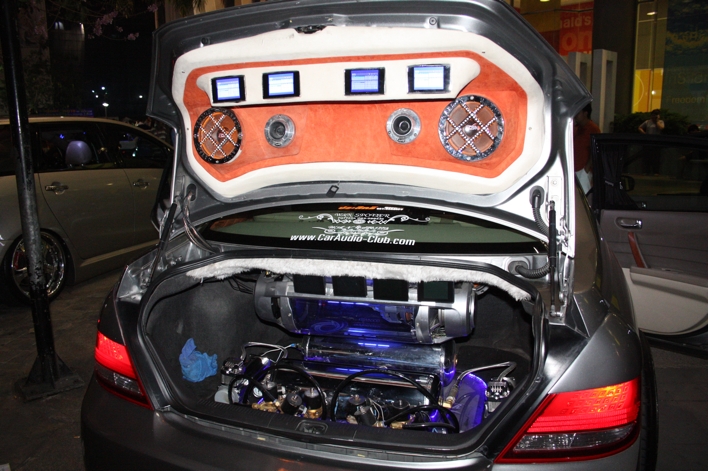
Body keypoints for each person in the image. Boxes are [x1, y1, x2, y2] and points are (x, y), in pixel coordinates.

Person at [573, 103, 601, 193]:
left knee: (583, 193)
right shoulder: (577, 128)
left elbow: (596, 150)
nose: (576, 115)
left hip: (583, 169)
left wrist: (587, 168)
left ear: (585, 113)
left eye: (578, 113)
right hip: (575, 167)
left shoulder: (592, 129)